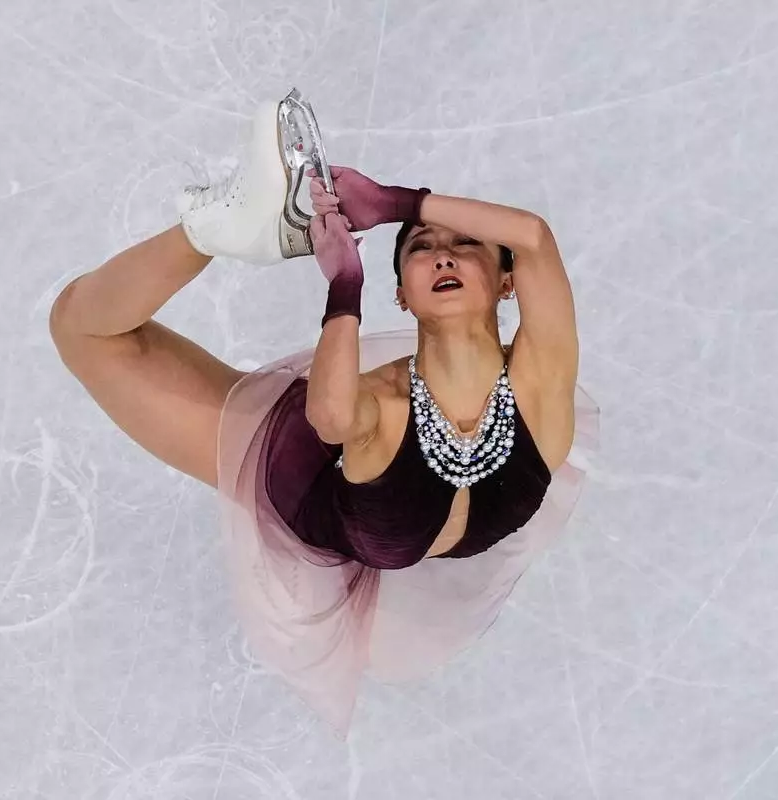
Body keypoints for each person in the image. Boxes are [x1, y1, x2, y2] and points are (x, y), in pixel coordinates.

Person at [48, 95, 599, 736]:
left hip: (372, 479)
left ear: (508, 281)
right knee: (81, 328)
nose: (443, 255)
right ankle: (215, 229)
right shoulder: (384, 406)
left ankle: (232, 229)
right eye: (422, 248)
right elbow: (332, 418)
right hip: (303, 477)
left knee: (83, 329)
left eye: (468, 245)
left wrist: (400, 205)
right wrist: (344, 286)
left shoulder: (539, 383)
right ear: (402, 293)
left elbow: (531, 235)